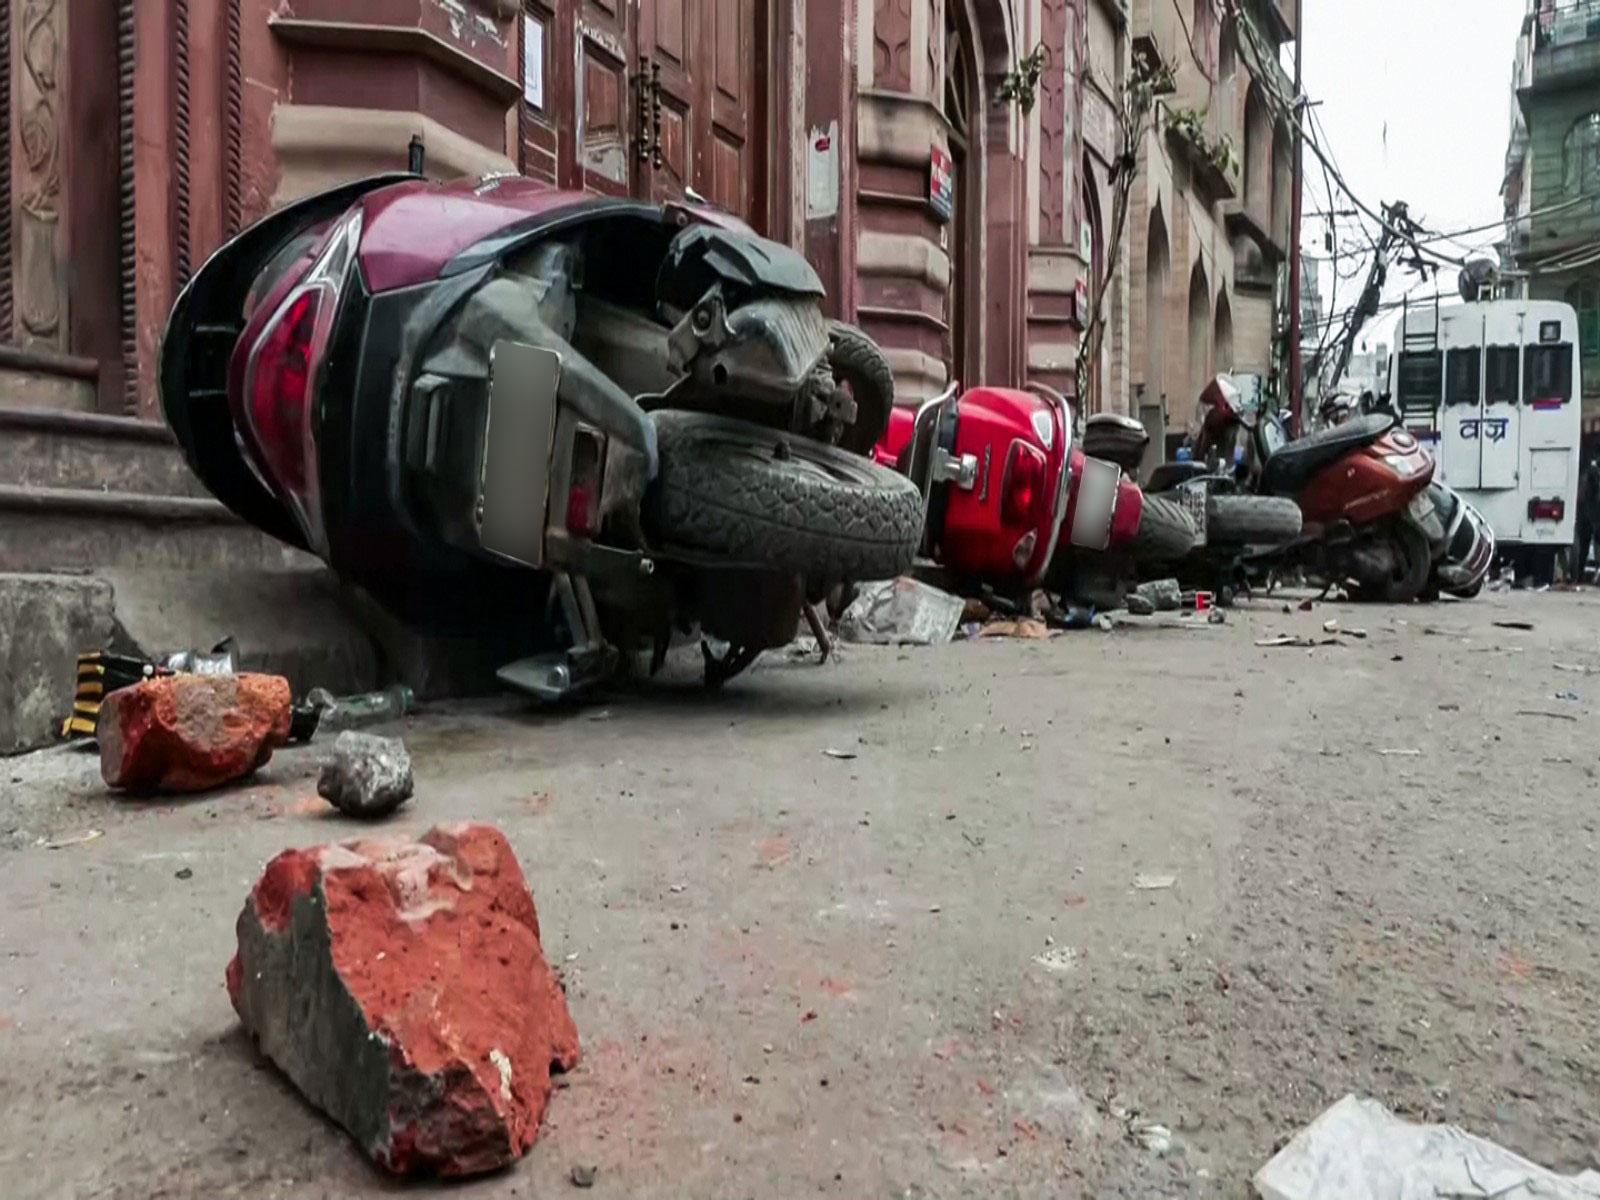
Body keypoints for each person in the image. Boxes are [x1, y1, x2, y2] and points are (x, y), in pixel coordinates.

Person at [1573, 457, 1600, 581]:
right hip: (1592, 517)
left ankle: (1578, 574)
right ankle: (1581, 574)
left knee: (1583, 547)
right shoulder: (1593, 474)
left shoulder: (1586, 474)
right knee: (1592, 545)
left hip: (1586, 517)